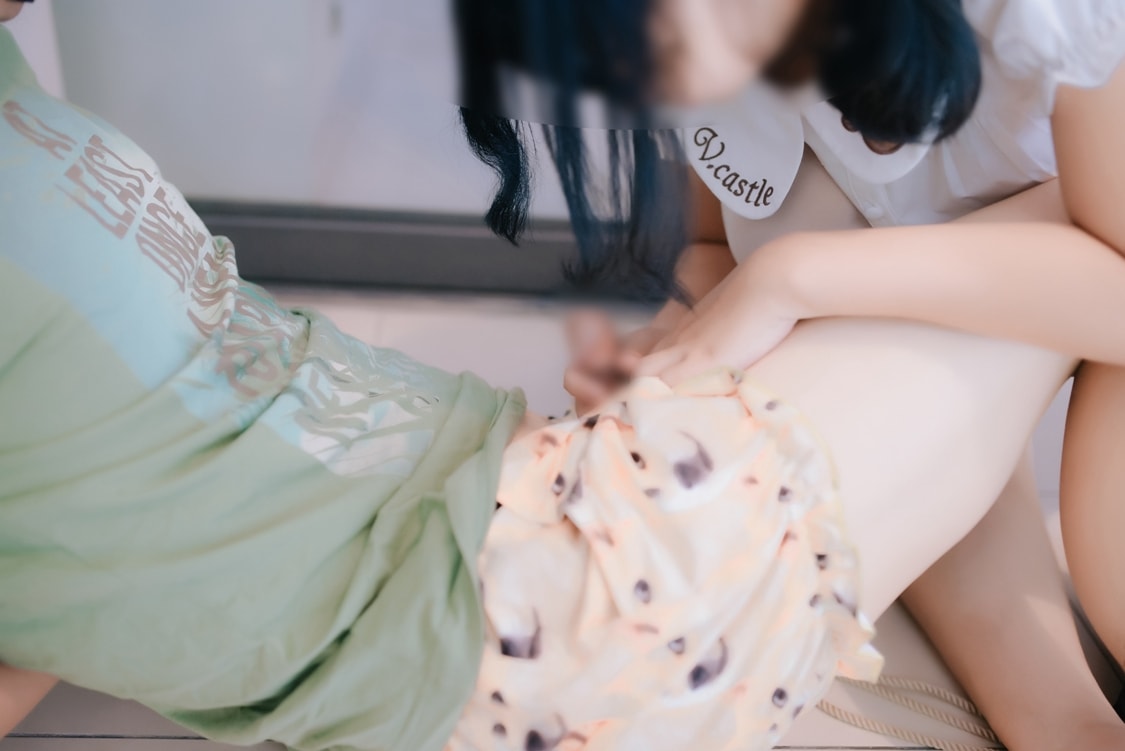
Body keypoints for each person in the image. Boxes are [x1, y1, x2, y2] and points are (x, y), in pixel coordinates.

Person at [0, 2, 1111, 750]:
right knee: (996, 243)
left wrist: (756, 300)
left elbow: (724, 257)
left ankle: (1061, 718)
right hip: (535, 622)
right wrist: (788, 284)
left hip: (520, 527)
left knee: (915, 243)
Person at [456, 0, 1125, 747]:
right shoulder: (706, 49)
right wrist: (681, 335)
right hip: (1005, 272)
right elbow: (715, 244)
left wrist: (790, 279)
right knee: (813, 218)